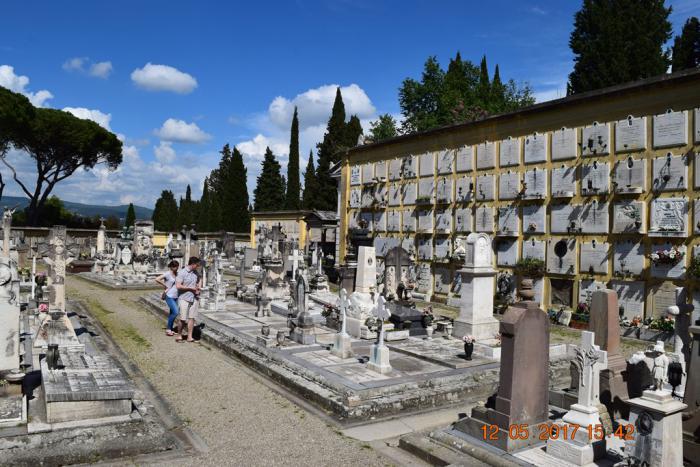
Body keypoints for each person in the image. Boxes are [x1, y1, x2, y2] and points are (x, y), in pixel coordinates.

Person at [175, 256, 201, 343]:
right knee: (183, 319)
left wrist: (198, 287)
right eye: (197, 265)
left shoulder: (195, 273)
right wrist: (190, 288)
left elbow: (199, 280)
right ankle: (179, 335)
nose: (198, 267)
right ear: (192, 264)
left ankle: (190, 337)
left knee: (192, 318)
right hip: (184, 298)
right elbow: (178, 286)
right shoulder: (182, 273)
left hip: (194, 298)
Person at [155, 260, 180, 336]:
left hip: (176, 296)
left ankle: (170, 328)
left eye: (177, 267)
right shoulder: (168, 274)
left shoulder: (178, 274)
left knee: (172, 312)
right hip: (169, 296)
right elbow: (157, 279)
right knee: (176, 312)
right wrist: (165, 285)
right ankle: (168, 329)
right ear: (171, 267)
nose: (176, 268)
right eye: (175, 267)